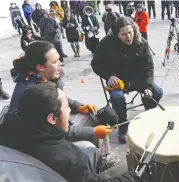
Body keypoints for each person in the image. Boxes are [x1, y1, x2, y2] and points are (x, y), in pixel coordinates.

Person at [0, 82, 141, 182]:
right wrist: (130, 178)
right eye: (66, 107)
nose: (69, 111)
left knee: (91, 150)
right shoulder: (68, 160)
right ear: (51, 118)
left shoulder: (11, 126)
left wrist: (90, 129)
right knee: (88, 149)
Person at [9, 41, 118, 159]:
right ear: (40, 67)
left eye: (59, 59)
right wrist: (92, 132)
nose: (60, 64)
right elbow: (58, 131)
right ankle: (94, 162)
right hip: (41, 146)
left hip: (55, 126)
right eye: (55, 61)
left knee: (92, 116)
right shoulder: (34, 95)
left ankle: (103, 157)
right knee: (87, 148)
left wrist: (78, 107)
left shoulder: (42, 77)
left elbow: (60, 97)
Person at [91, 17, 163, 144]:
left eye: (130, 32)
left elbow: (149, 67)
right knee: (117, 97)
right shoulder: (106, 43)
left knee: (157, 91)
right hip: (118, 80)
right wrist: (108, 76)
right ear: (116, 34)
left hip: (138, 78)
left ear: (134, 29)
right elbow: (96, 64)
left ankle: (148, 114)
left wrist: (147, 86)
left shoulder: (141, 42)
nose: (128, 36)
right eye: (124, 34)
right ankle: (123, 127)